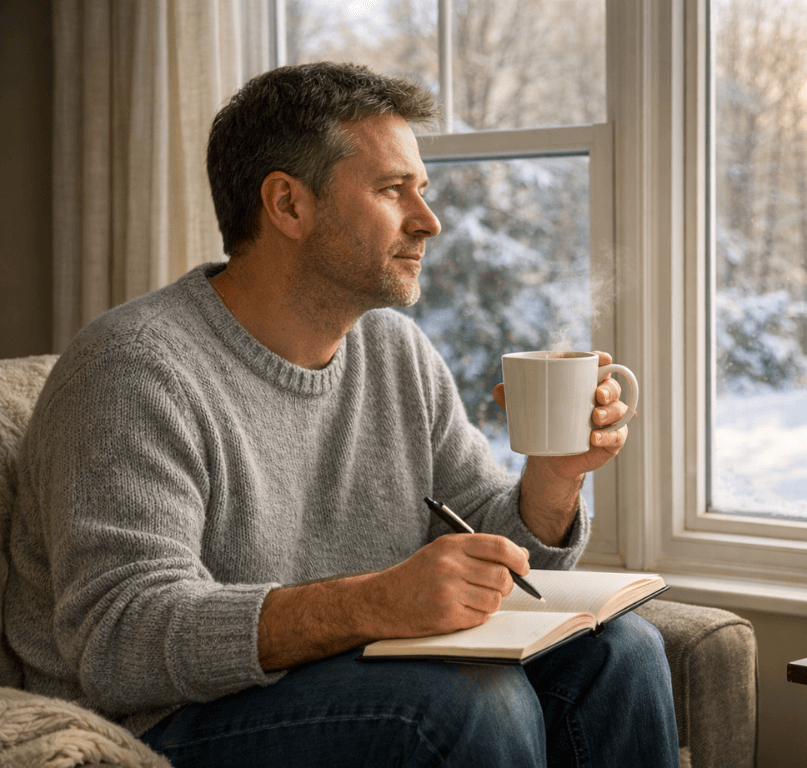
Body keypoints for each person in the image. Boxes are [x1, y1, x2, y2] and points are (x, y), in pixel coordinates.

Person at [5, 62, 679, 767]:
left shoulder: (394, 351)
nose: (430, 220)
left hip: (344, 679)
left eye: (423, 189)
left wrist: (553, 478)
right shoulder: (132, 367)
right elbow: (121, 636)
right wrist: (372, 603)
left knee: (621, 654)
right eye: (395, 190)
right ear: (288, 205)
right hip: (164, 722)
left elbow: (505, 561)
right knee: (474, 705)